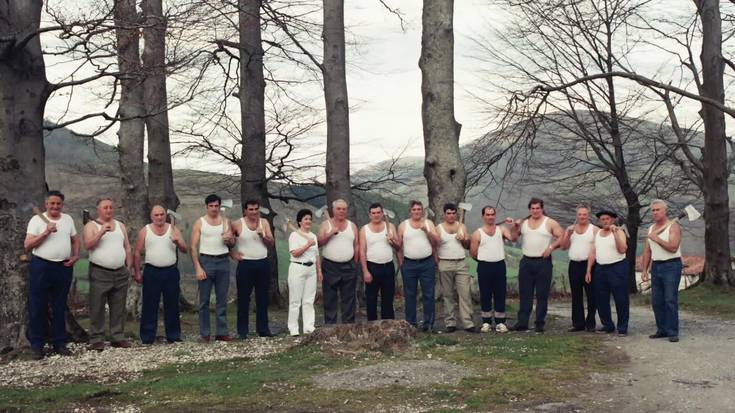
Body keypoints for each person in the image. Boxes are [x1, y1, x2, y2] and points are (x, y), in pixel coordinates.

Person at [24, 190, 80, 359]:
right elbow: (27, 245)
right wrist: (46, 232)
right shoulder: (36, 220)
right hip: (41, 266)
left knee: (59, 306)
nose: (55, 206)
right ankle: (37, 345)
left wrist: (76, 255)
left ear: (62, 205)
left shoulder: (68, 219)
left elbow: (75, 239)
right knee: (37, 306)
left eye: (58, 204)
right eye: (52, 203)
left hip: (63, 267)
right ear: (46, 205)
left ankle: (59, 343)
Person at [83, 197, 134, 351]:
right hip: (100, 271)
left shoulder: (120, 226)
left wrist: (129, 266)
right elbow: (88, 245)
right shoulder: (91, 225)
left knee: (118, 306)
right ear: (98, 210)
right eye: (105, 207)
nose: (109, 210)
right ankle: (97, 339)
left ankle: (117, 336)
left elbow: (127, 247)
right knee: (97, 306)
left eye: (111, 207)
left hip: (120, 271)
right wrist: (100, 233)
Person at [133, 205, 187, 344]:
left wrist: (178, 242)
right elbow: (137, 252)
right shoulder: (145, 231)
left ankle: (173, 336)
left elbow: (184, 249)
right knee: (149, 305)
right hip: (152, 271)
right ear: (152, 216)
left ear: (166, 215)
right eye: (156, 215)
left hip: (170, 271)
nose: (159, 217)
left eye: (162, 214)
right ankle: (147, 337)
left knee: (172, 304)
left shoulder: (173, 229)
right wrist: (138, 272)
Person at [509, 198, 564, 333]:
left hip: (543, 262)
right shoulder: (524, 223)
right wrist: (515, 227)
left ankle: (539, 323)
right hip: (526, 261)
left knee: (542, 294)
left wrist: (551, 247)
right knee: (525, 294)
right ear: (529, 209)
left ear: (542, 208)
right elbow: (514, 238)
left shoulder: (549, 222)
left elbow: (562, 236)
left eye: (537, 208)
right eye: (532, 208)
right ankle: (522, 323)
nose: (535, 211)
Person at [190, 194, 235, 342]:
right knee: (204, 301)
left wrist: (230, 240)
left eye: (216, 206)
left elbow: (232, 243)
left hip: (223, 261)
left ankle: (222, 332)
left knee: (222, 299)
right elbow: (193, 246)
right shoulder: (200, 223)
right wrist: (197, 267)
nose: (214, 208)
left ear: (220, 206)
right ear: (206, 207)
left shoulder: (226, 222)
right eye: (211, 206)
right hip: (206, 261)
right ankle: (205, 333)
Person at [230, 200, 275, 338]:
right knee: (243, 298)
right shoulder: (237, 224)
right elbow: (227, 241)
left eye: (256, 209)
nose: (254, 212)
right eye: (251, 209)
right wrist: (232, 254)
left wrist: (263, 235)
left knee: (262, 298)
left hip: (262, 263)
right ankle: (242, 331)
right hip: (245, 265)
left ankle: (263, 329)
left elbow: (271, 243)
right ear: (245, 210)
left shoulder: (264, 223)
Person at [641, 200, 683, 343]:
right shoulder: (651, 228)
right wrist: (645, 269)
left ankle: (672, 332)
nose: (655, 212)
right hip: (656, 266)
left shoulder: (674, 226)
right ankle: (662, 329)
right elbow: (647, 250)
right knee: (656, 301)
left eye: (658, 209)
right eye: (653, 210)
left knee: (670, 299)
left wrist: (657, 239)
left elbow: (673, 247)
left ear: (665, 211)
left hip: (672, 265)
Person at [470, 206, 515, 333]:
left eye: (492, 214)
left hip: (499, 265)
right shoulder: (477, 233)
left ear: (495, 215)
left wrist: (514, 225)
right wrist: (483, 260)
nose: (490, 217)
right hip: (484, 265)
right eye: (488, 215)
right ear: (483, 216)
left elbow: (512, 238)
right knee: (485, 294)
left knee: (500, 293)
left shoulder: (502, 229)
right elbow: (473, 253)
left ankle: (500, 322)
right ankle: (486, 322)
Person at [398, 200, 440, 332]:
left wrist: (427, 231)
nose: (416, 212)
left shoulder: (429, 224)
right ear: (410, 211)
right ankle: (411, 324)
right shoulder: (403, 225)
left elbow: (437, 241)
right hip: (409, 264)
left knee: (428, 294)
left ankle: (429, 324)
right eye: (414, 209)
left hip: (427, 263)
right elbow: (398, 247)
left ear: (422, 211)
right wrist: (401, 263)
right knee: (410, 295)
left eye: (419, 209)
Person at [585, 210, 629, 336]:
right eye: (602, 219)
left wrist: (615, 232)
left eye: (607, 219)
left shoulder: (619, 231)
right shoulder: (598, 233)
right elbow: (593, 252)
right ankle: (607, 325)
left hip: (617, 267)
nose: (605, 221)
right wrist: (588, 270)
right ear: (600, 221)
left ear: (613, 220)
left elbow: (622, 249)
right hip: (601, 268)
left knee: (621, 298)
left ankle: (622, 328)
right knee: (601, 298)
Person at [317, 199, 359, 324]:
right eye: (338, 209)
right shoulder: (325, 225)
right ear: (333, 210)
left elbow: (356, 245)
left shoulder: (352, 226)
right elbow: (318, 243)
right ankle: (330, 326)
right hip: (330, 266)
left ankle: (348, 325)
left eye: (344, 209)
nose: (341, 211)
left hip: (349, 266)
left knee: (349, 297)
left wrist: (355, 263)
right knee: (330, 297)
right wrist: (330, 233)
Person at [435, 203, 475, 333]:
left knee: (465, 293)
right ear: (444, 214)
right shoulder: (438, 228)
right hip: (445, 263)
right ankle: (450, 323)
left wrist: (463, 239)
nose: (451, 215)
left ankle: (468, 323)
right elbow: (434, 245)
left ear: (456, 214)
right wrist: (437, 261)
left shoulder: (461, 226)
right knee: (447, 294)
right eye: (449, 213)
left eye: (453, 213)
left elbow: (467, 246)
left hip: (461, 263)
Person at [559, 205, 599, 332]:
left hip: (590, 265)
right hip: (574, 265)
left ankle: (590, 323)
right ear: (576, 215)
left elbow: (598, 248)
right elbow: (563, 247)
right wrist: (567, 234)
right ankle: (578, 323)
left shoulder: (594, 229)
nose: (582, 217)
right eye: (580, 214)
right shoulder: (570, 229)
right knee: (576, 295)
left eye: (584, 214)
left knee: (592, 295)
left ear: (588, 215)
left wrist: (590, 267)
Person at [359, 203, 399, 321]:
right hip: (372, 267)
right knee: (371, 299)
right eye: (373, 213)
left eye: (378, 212)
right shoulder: (364, 229)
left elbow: (398, 247)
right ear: (369, 215)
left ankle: (388, 325)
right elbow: (362, 251)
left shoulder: (390, 226)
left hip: (388, 267)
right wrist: (365, 271)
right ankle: (372, 326)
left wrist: (392, 240)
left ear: (382, 213)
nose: (376, 215)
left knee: (388, 298)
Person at [287, 209, 322, 336]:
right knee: (295, 300)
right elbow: (295, 253)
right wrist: (307, 245)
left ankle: (308, 327)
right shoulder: (294, 236)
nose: (308, 221)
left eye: (310, 219)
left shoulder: (313, 236)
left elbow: (317, 255)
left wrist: (319, 271)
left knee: (308, 300)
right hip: (297, 268)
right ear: (300, 221)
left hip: (311, 269)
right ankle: (293, 328)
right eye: (306, 219)